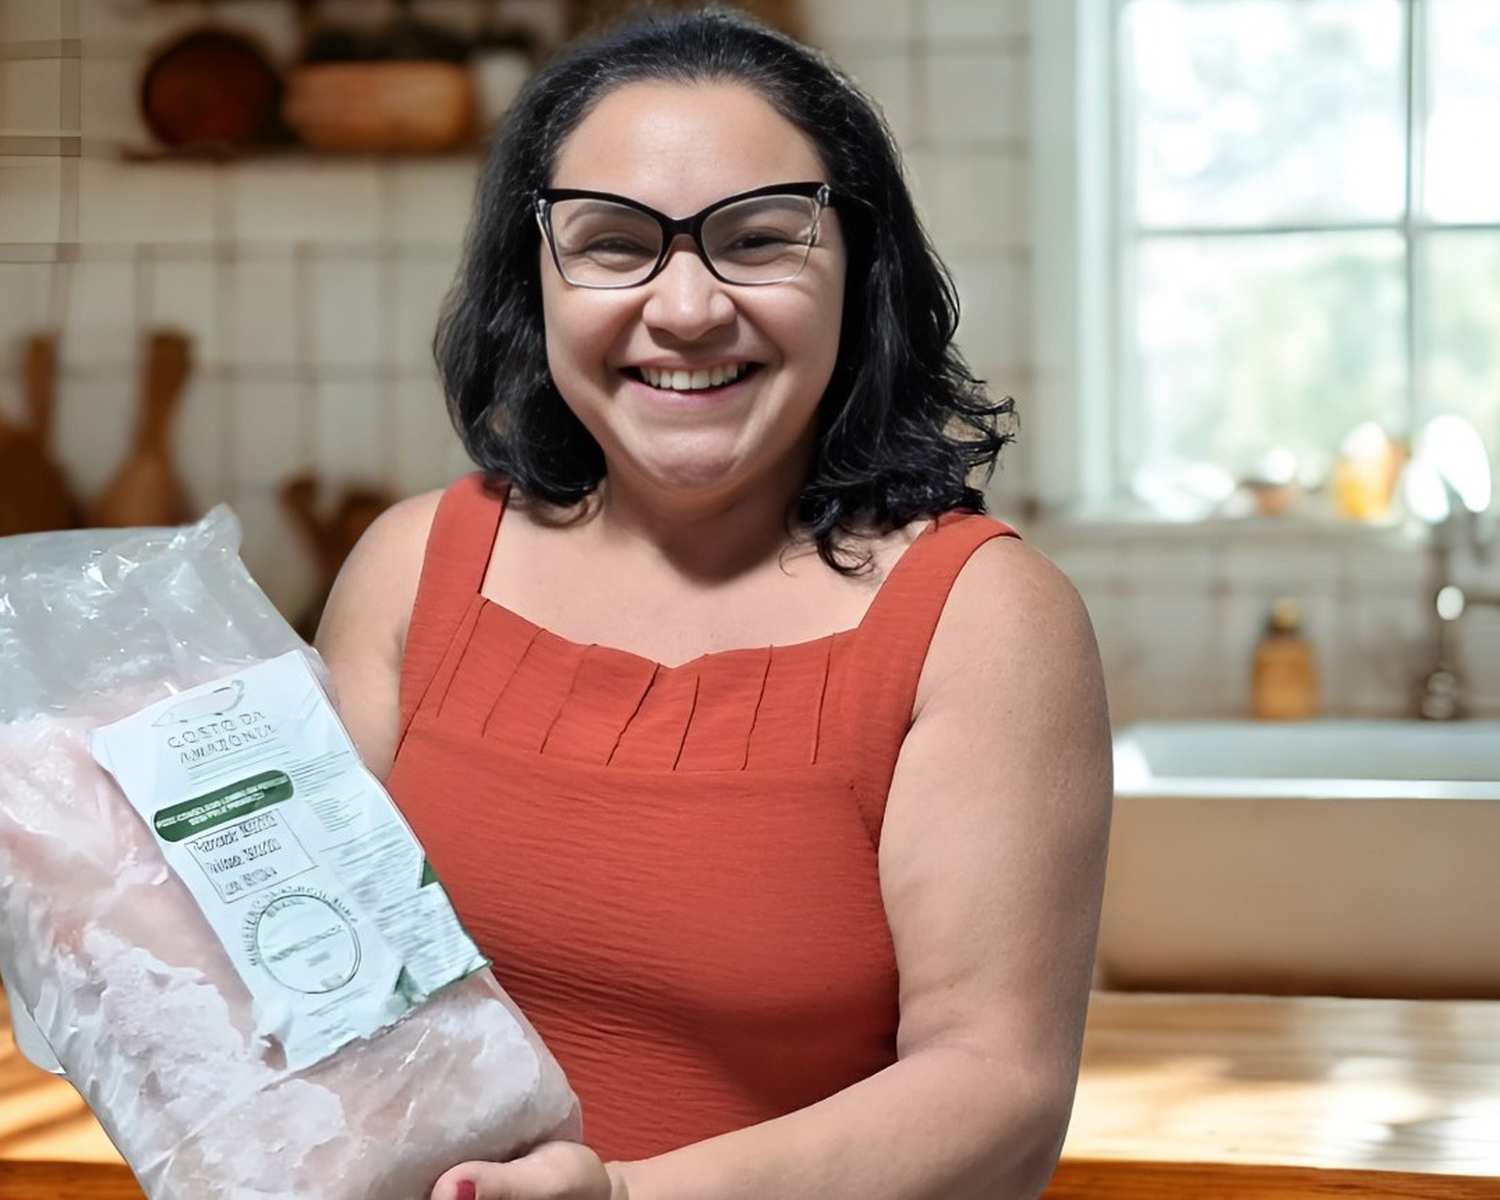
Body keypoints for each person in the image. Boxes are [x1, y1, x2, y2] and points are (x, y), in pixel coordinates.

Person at [315, 7, 1113, 1199]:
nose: (686, 309)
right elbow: (301, 970)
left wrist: (623, 1196)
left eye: (759, 239)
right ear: (535, 278)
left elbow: (999, 1093)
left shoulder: (984, 621)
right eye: (612, 242)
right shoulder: (411, 564)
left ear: (859, 270)